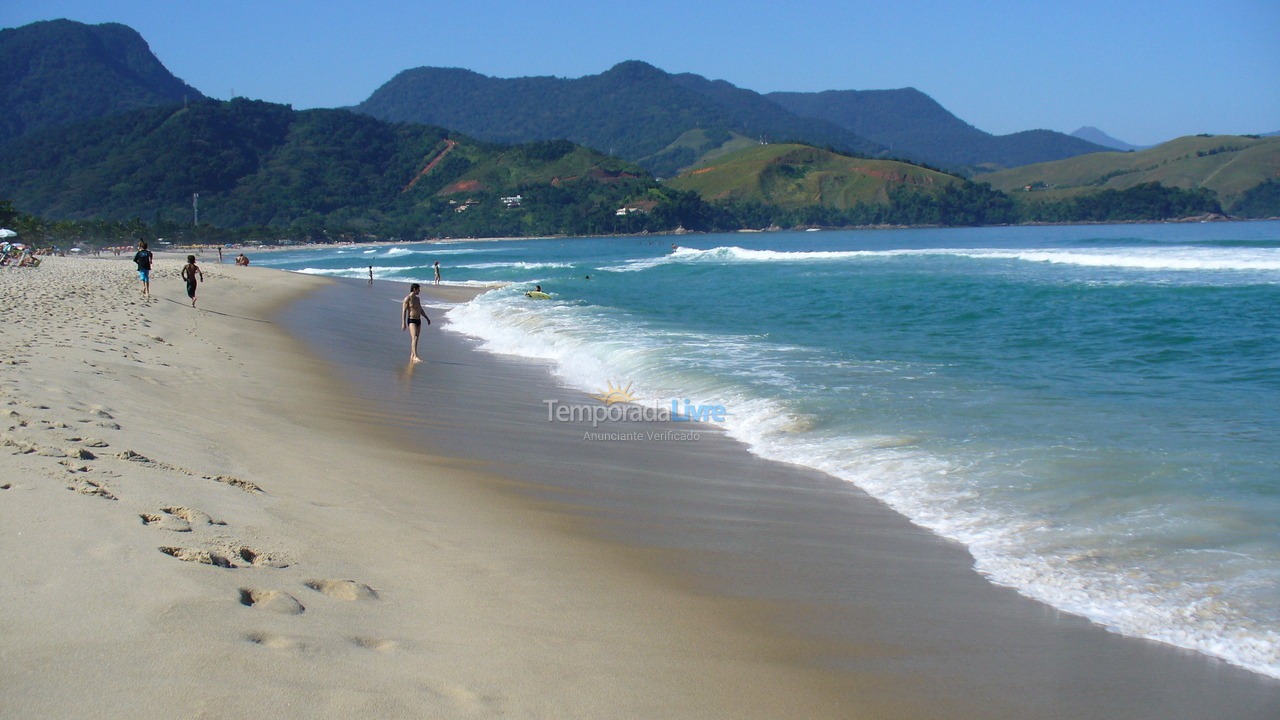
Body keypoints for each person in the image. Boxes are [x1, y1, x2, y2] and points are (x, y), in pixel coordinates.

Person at [401, 283, 431, 363]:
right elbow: (404, 311)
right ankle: (415, 356)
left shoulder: (418, 299)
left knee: (416, 338)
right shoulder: (407, 299)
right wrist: (403, 323)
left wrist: (427, 318)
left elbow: (420, 310)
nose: (419, 291)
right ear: (414, 289)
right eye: (418, 289)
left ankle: (412, 354)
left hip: (418, 320)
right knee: (414, 337)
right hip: (411, 320)